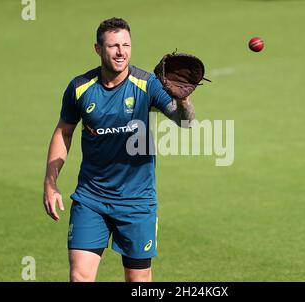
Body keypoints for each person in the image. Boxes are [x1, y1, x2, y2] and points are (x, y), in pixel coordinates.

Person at [43, 17, 196, 282]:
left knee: (138, 281)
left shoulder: (147, 84)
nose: (121, 52)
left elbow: (185, 122)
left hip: (137, 202)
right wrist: (50, 181)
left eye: (126, 45)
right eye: (113, 45)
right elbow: (63, 131)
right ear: (98, 49)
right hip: (91, 199)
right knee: (80, 276)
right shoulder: (80, 88)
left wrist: (183, 102)